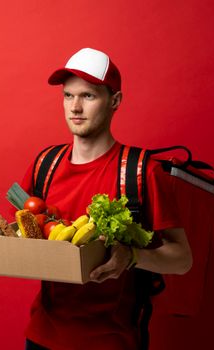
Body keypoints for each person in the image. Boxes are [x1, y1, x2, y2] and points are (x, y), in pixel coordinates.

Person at [19, 48, 193, 350]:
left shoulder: (141, 172)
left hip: (110, 342)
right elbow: (21, 232)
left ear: (115, 101)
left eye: (88, 96)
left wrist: (133, 256)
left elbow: (183, 260)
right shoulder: (44, 164)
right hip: (41, 337)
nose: (75, 107)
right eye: (68, 95)